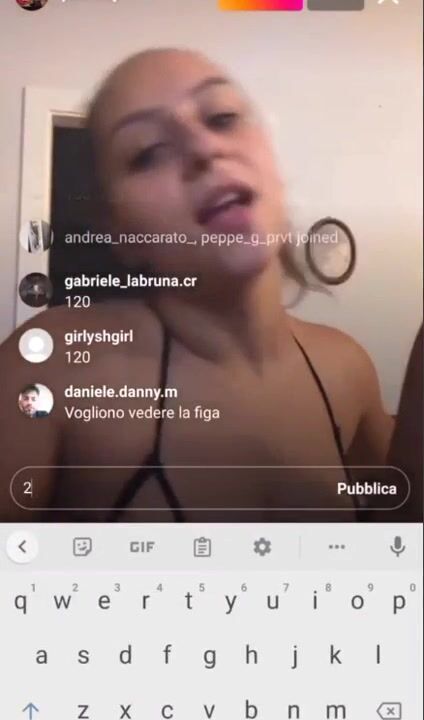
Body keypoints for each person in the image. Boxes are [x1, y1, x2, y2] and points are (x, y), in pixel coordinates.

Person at [0, 48, 396, 522]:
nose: (204, 149)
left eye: (222, 117)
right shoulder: (52, 365)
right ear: (120, 231)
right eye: (148, 152)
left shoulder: (348, 368)